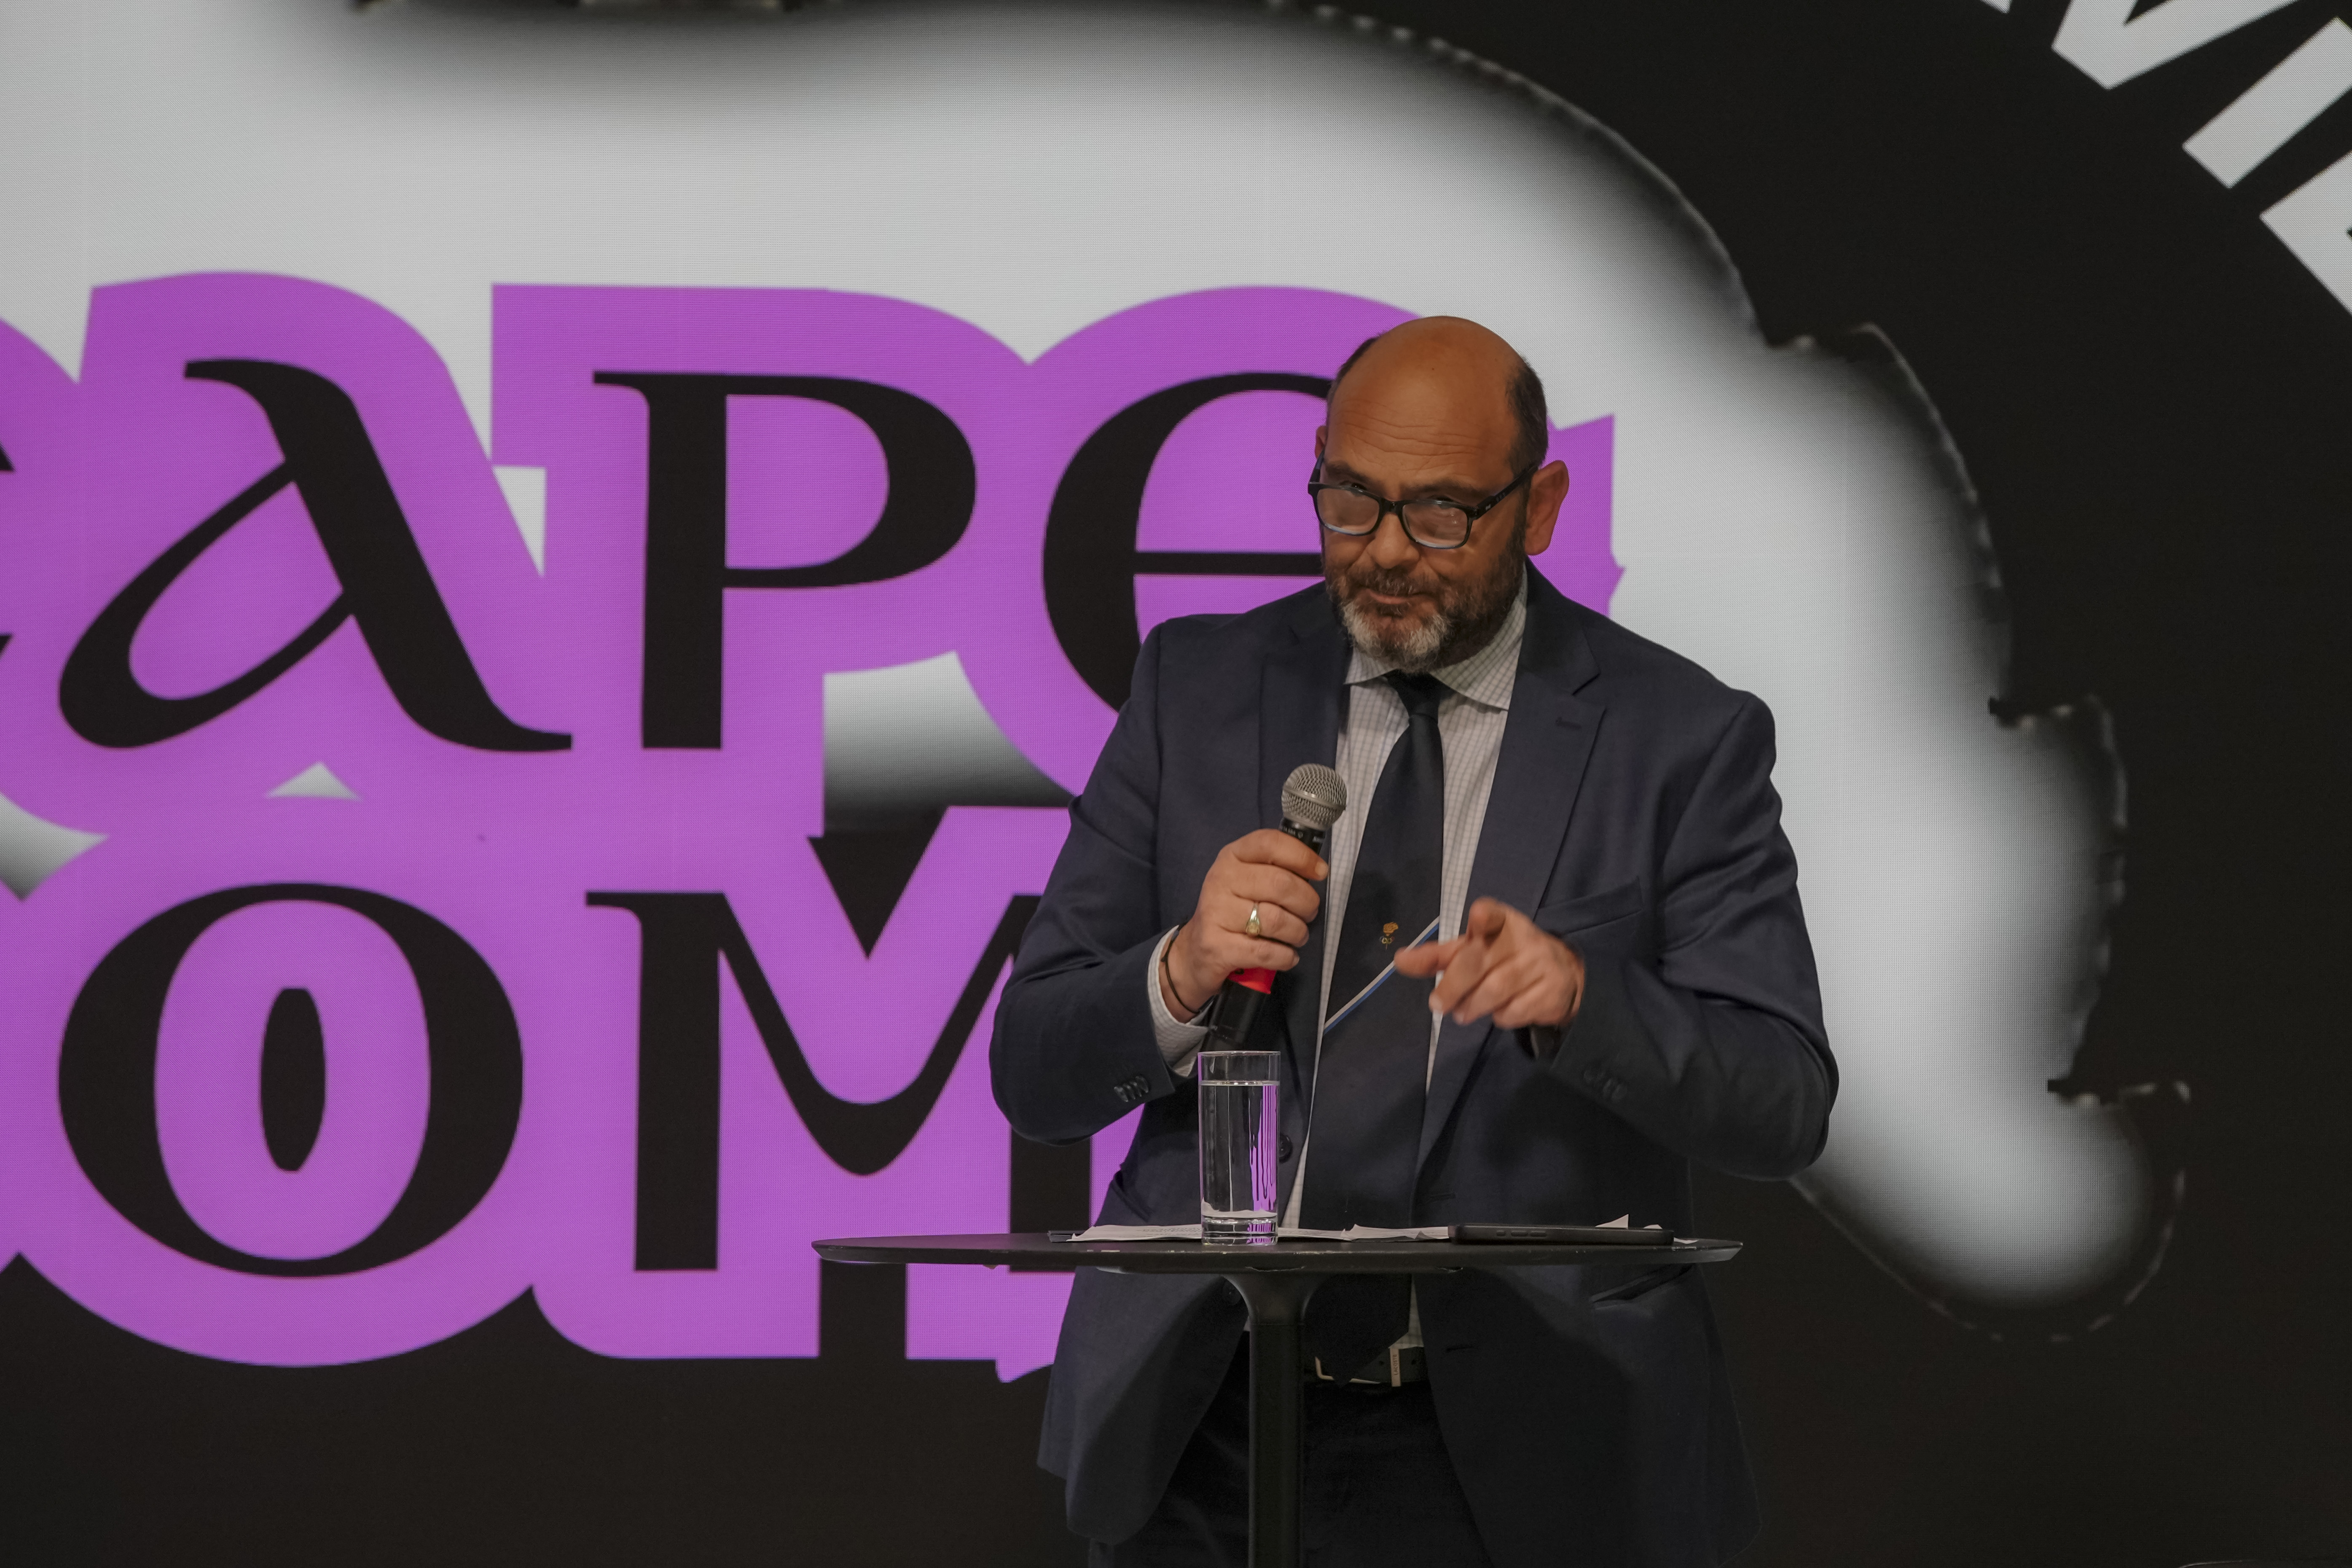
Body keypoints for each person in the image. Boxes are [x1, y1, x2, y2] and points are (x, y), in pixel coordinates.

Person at [991, 317, 1835, 1568]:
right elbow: (1034, 1071)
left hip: (1521, 1444)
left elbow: (1780, 1102)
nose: (1386, 551)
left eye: (1441, 512)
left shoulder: (1679, 739)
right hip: (1202, 1421)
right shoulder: (1194, 688)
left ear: (1538, 506)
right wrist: (1178, 972)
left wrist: (1583, 1000)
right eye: (1350, 500)